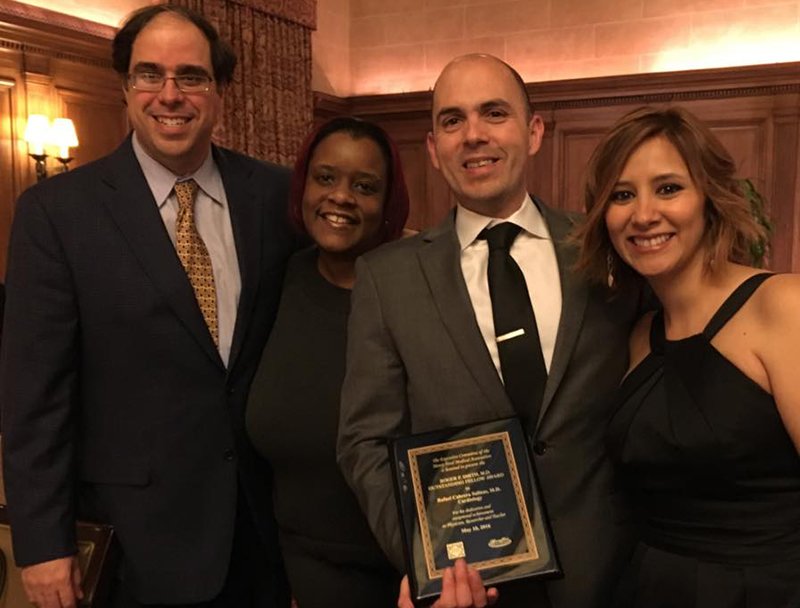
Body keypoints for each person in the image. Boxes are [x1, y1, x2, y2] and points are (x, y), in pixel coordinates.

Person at [0, 5, 296, 607]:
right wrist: (41, 543)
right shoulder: (58, 215)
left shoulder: (275, 196)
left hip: (262, 534)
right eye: (149, 75)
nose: (170, 95)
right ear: (125, 87)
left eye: (191, 76)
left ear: (218, 93)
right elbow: (35, 396)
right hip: (134, 540)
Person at [338, 53, 642, 608]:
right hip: (470, 588)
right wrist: (423, 561)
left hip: (616, 573)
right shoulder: (387, 278)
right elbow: (364, 442)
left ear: (533, 132)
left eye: (494, 113)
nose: (473, 135)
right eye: (452, 120)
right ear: (433, 148)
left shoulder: (607, 247)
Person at [574, 105, 800, 607]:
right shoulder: (638, 335)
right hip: (648, 587)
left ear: (709, 200)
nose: (644, 213)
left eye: (669, 187)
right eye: (622, 194)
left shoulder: (783, 306)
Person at [245, 116, 409, 607]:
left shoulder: (415, 286)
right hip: (305, 563)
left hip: (412, 566)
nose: (340, 196)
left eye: (364, 186)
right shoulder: (278, 280)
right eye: (325, 178)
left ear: (387, 204)